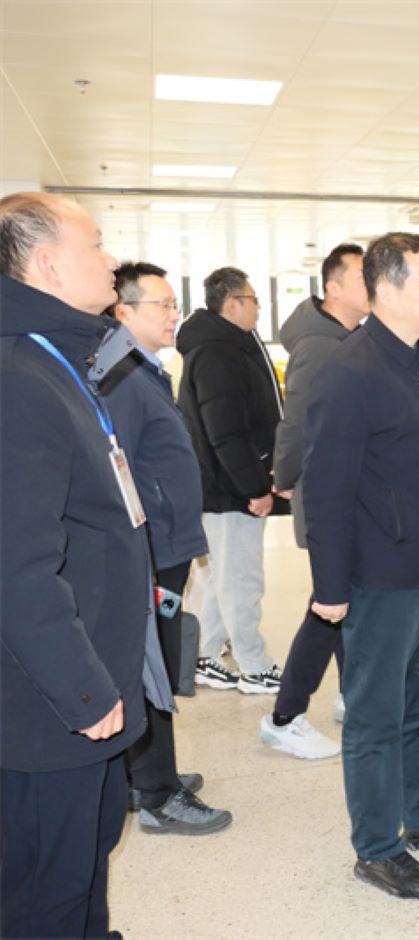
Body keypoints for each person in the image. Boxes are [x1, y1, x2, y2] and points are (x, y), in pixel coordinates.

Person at [302, 232, 419, 900]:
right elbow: (325, 488)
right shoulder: (348, 372)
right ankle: (378, 849)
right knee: (376, 718)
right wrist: (330, 586)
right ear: (384, 289)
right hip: (381, 575)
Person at [0, 192, 146, 936]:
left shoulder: (58, 358)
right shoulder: (19, 377)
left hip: (88, 669)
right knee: (46, 886)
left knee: (88, 852)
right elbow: (16, 564)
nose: (112, 259)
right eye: (96, 245)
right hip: (49, 702)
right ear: (49, 265)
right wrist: (84, 691)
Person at [100, 261, 233, 835]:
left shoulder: (144, 369)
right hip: (152, 547)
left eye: (174, 303)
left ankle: (150, 774)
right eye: (161, 305)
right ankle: (158, 794)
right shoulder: (121, 378)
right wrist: (150, 548)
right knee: (154, 665)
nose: (174, 314)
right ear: (123, 312)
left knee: (158, 657)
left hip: (168, 544)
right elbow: (120, 471)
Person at [260, 243, 367, 761]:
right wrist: (285, 476)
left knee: (343, 599)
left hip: (349, 493)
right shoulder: (322, 346)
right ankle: (285, 716)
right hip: (331, 496)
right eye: (363, 277)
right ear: (334, 288)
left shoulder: (349, 337)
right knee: (329, 603)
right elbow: (297, 418)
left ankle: (351, 695)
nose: (374, 284)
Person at [177, 266, 287, 694]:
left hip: (227, 484)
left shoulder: (227, 346)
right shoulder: (217, 353)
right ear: (232, 303)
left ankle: (205, 654)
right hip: (229, 488)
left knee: (225, 575)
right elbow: (226, 432)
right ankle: (254, 664)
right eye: (254, 299)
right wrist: (254, 488)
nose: (260, 307)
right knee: (241, 579)